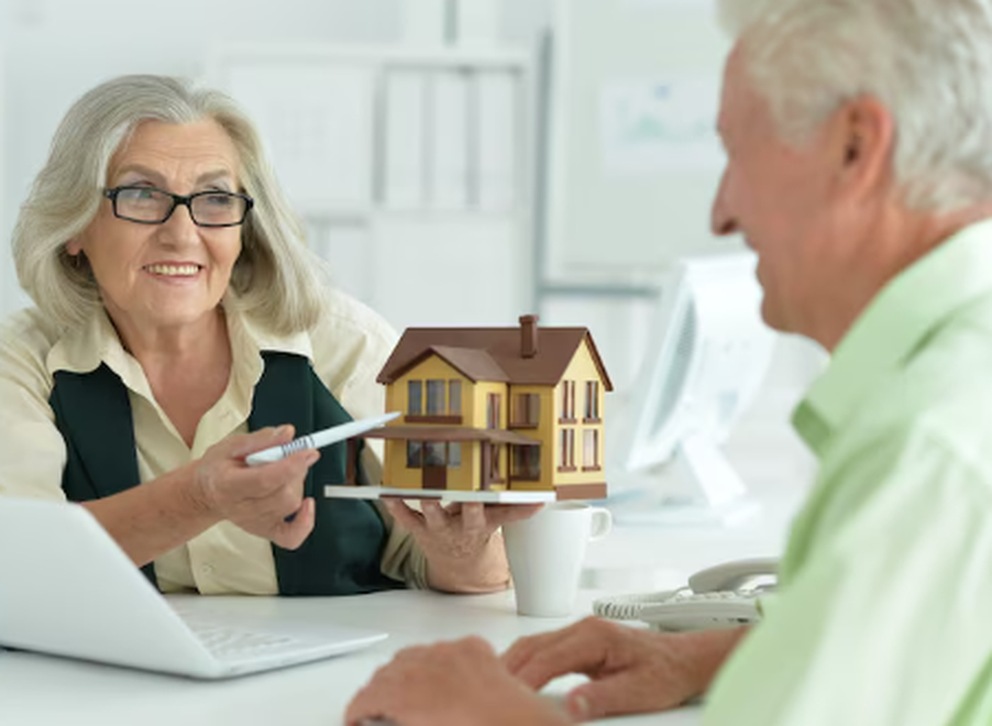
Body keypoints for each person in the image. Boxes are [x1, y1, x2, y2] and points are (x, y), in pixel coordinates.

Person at [346, 0, 992, 722]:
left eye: (739, 154)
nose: (720, 212)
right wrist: (708, 657)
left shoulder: (928, 451)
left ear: (854, 147)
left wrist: (495, 715)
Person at [0, 74, 537, 597]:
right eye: (141, 194)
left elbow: (461, 574)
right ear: (73, 226)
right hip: (116, 682)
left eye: (214, 199)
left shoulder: (346, 347)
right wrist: (199, 497)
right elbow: (18, 559)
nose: (182, 234)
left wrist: (461, 547)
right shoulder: (24, 359)